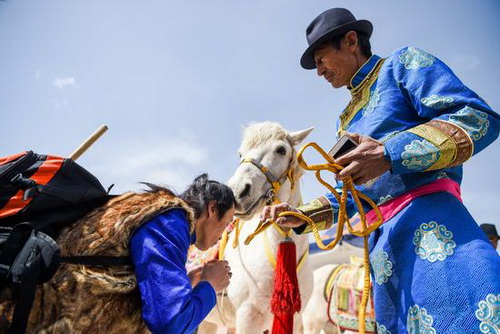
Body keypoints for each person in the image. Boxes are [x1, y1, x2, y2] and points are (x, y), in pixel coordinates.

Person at [262, 8, 500, 334]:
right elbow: (353, 198)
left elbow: (476, 118)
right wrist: (301, 216)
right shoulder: (344, 121)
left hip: (435, 236)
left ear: (350, 41)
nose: (318, 72)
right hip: (384, 263)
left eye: (321, 59)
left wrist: (390, 153)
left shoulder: (401, 66)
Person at [130, 174, 236, 334]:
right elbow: (172, 325)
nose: (223, 234)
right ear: (212, 209)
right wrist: (210, 285)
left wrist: (186, 281)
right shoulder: (170, 225)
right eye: (226, 223)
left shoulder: (172, 223)